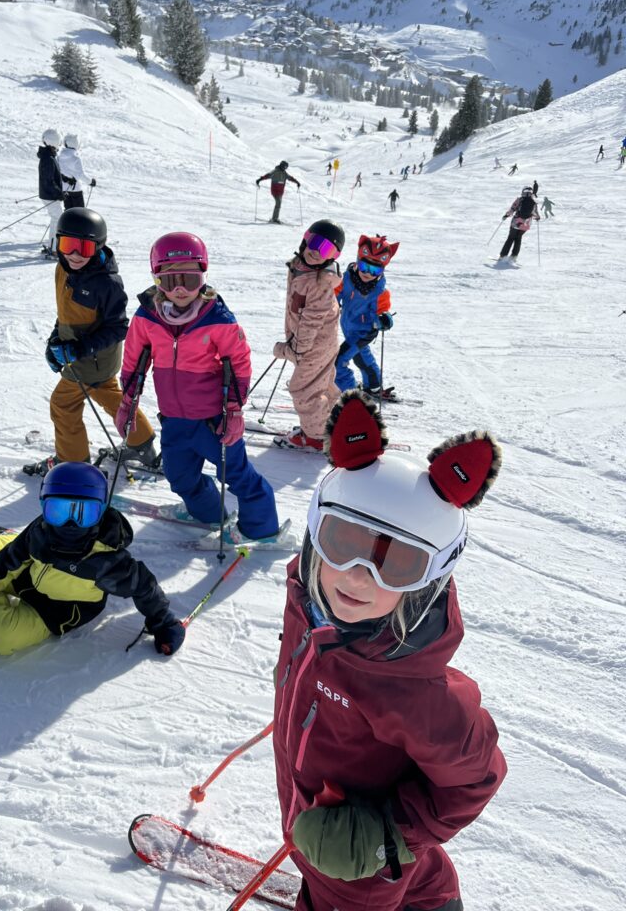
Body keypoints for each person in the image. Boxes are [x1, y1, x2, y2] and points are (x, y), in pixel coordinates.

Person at [273, 390, 506, 911]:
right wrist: (292, 676)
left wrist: (386, 838)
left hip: (358, 869)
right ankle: (430, 896)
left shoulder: (413, 691)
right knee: (393, 871)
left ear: (427, 581)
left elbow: (477, 776)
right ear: (315, 533)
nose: (359, 575)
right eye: (343, 542)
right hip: (314, 809)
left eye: (396, 564)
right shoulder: (307, 598)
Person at [115, 232, 279, 542]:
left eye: (189, 280)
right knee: (179, 477)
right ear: (156, 279)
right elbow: (135, 363)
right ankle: (208, 513)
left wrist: (234, 411)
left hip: (213, 421)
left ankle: (263, 531)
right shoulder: (147, 317)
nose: (179, 290)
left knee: (237, 475)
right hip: (174, 419)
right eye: (169, 280)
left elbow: (239, 364)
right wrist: (127, 404)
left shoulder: (217, 318)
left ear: (203, 276)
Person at [0, 462, 185, 661]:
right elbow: (5, 562)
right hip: (28, 574)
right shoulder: (42, 530)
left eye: (83, 514)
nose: (70, 525)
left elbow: (144, 586)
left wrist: (163, 623)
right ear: (44, 507)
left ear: (101, 512)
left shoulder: (106, 561)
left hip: (55, 611)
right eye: (59, 512)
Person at [38, 207, 160, 474]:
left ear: (98, 247)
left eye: (84, 248)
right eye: (68, 245)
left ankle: (72, 464)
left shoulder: (107, 284)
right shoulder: (63, 269)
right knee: (110, 395)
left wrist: (79, 348)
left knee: (63, 404)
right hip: (84, 357)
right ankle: (144, 445)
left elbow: (118, 328)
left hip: (91, 358)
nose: (75, 254)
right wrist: (54, 340)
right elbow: (65, 313)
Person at [272, 220, 344, 451]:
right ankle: (332, 420)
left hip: (314, 345)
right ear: (305, 239)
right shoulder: (300, 267)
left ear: (333, 256)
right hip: (316, 342)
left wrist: (296, 350)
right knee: (319, 384)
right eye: (314, 243)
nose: (316, 252)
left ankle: (315, 436)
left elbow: (311, 321)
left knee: (302, 390)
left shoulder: (320, 283)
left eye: (326, 250)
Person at [335, 236, 398, 397]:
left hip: (364, 332)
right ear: (357, 262)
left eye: (375, 270)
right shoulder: (346, 279)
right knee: (361, 357)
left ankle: (349, 394)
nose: (367, 273)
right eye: (364, 266)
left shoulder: (380, 292)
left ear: (382, 271)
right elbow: (334, 294)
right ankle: (374, 386)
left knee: (339, 361)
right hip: (349, 328)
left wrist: (384, 319)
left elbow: (383, 312)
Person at [37, 128, 64, 256]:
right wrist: (59, 193)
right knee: (58, 218)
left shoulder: (49, 156)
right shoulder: (48, 158)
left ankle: (52, 247)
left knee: (56, 218)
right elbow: (49, 180)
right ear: (54, 142)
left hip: (49, 194)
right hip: (49, 194)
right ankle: (53, 249)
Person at [499, 186, 539, 261]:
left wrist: (506, 215)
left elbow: (512, 209)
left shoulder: (520, 200)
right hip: (526, 225)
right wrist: (537, 218)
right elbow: (535, 214)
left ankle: (503, 255)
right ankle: (514, 256)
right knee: (518, 238)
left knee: (510, 238)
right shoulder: (534, 202)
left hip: (516, 222)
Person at [59, 133, 96, 210]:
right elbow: (80, 175)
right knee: (79, 212)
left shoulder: (59, 157)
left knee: (68, 212)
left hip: (64, 190)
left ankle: (68, 222)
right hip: (76, 190)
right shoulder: (75, 158)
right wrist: (90, 182)